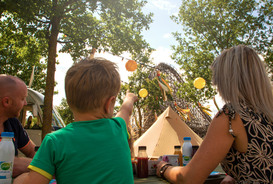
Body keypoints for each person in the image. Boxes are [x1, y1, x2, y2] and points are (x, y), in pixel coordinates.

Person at [156, 45, 273, 183]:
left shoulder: (231, 116)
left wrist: (164, 168)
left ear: (227, 80)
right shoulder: (266, 113)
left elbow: (188, 178)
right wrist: (236, 174)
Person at [22, 58, 138, 184]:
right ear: (109, 103)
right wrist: (129, 97)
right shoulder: (118, 128)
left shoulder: (54, 142)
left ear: (69, 101)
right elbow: (126, 109)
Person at [0, 75, 36, 181]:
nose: (25, 103)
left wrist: (27, 163)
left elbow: (32, 151)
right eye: (22, 98)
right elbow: (10, 165)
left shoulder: (13, 123)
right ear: (6, 102)